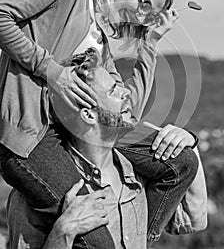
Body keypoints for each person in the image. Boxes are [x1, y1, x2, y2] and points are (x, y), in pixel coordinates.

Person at [0, 0, 200, 248]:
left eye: (150, 15)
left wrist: (150, 44)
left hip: (77, 131)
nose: (140, 17)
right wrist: (52, 71)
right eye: (143, 3)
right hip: (32, 137)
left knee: (181, 163)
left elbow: (125, 113)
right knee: (94, 231)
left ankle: (138, 239)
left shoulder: (100, 45)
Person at [7, 48, 205, 249]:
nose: (125, 92)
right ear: (88, 115)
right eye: (112, 91)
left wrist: (189, 144)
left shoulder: (139, 175)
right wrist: (63, 231)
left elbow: (195, 220)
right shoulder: (39, 194)